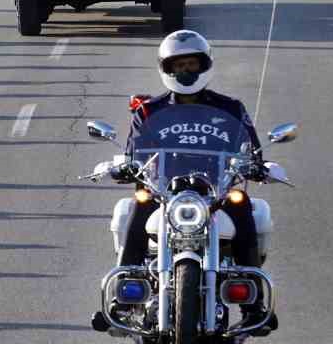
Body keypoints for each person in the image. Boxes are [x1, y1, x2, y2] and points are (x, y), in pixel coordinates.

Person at [113, 30, 272, 328]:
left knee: (244, 206)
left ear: (204, 66)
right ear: (167, 69)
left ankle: (255, 306)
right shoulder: (148, 111)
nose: (186, 72)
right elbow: (132, 153)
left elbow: (251, 147)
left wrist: (258, 165)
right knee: (138, 205)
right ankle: (122, 296)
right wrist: (124, 167)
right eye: (179, 66)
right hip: (163, 191)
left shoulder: (230, 108)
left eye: (191, 65)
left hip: (216, 191)